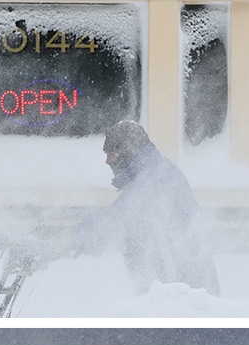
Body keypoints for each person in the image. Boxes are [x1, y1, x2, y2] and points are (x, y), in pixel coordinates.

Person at [70, 120, 221, 296]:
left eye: (112, 153)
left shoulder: (155, 179)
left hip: (182, 295)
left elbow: (114, 219)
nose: (107, 161)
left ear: (128, 151)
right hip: (177, 293)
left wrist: (60, 243)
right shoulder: (155, 171)